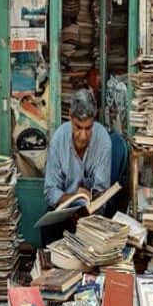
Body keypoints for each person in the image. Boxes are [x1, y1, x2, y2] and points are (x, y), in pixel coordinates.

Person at [42, 89, 111, 245]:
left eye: (88, 128)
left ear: (94, 121)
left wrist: (89, 203)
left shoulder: (103, 141)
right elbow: (50, 190)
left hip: (91, 212)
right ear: (70, 119)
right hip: (64, 209)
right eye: (78, 127)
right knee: (49, 228)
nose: (83, 135)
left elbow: (102, 192)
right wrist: (72, 199)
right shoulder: (59, 139)